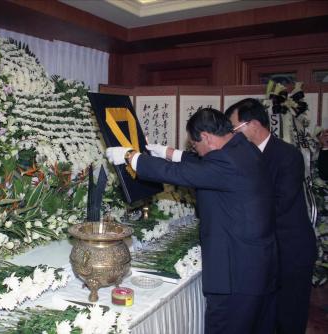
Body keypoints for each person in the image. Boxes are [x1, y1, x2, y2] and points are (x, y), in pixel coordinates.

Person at [106, 108, 277, 334]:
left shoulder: (226, 163)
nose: (196, 151)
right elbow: (204, 164)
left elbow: (185, 173)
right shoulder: (243, 148)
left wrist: (131, 157)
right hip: (256, 267)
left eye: (195, 146)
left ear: (206, 136)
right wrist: (168, 152)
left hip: (236, 274)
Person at [225, 98, 317, 334]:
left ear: (253, 124)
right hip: (265, 252)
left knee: (289, 316)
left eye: (234, 129)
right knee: (265, 318)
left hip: (290, 251)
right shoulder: (245, 156)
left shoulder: (288, 155)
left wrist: (237, 217)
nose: (232, 136)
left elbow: (279, 204)